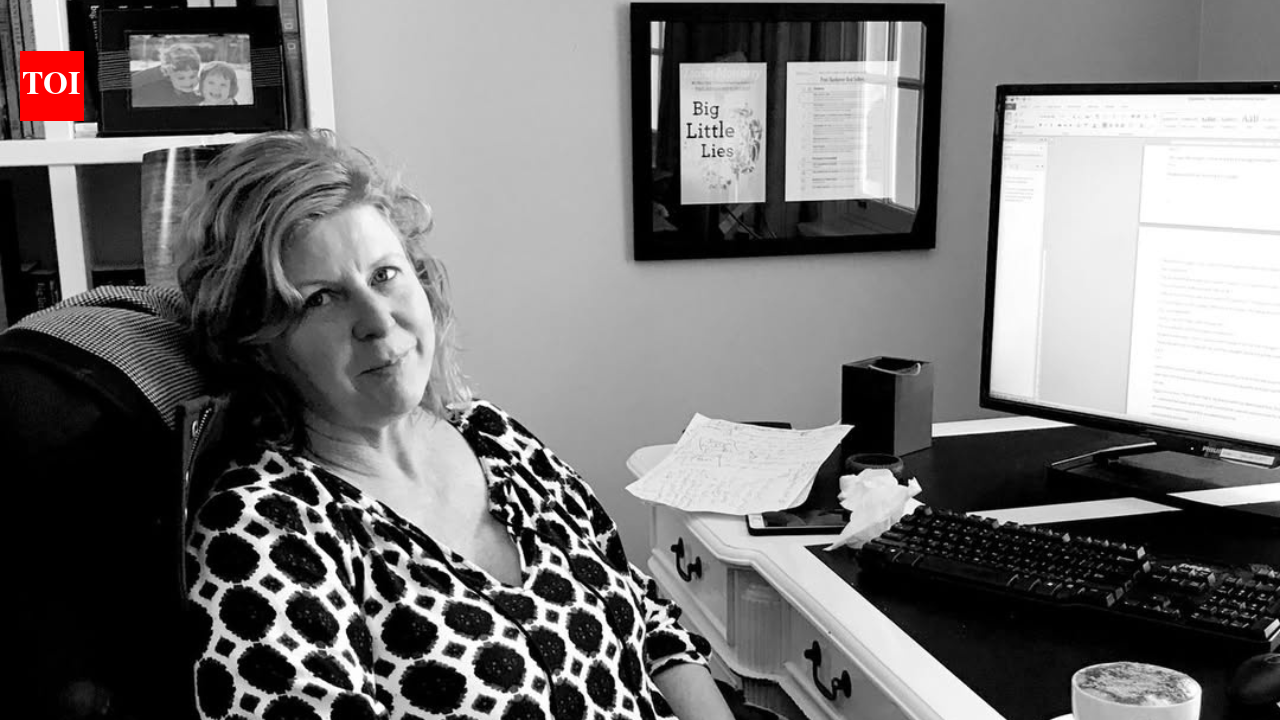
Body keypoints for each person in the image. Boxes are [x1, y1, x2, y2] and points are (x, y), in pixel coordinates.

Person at [176, 130, 736, 720]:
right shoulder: (263, 534)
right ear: (260, 345)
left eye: (385, 275)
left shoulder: (494, 436)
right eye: (319, 299)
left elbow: (651, 628)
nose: (376, 319)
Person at [132, 42, 202, 108]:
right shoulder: (152, 87)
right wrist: (159, 71)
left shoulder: (191, 97)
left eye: (192, 76)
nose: (188, 82)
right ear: (168, 74)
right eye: (181, 78)